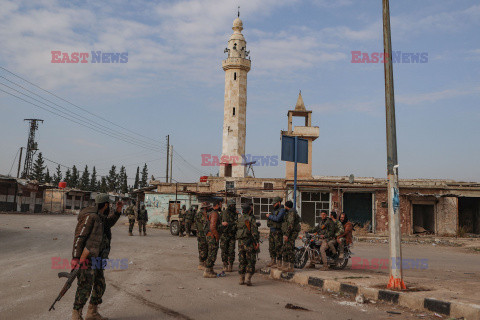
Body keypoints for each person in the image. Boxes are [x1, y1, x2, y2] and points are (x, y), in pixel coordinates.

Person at [71, 194, 123, 320]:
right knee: (85, 287)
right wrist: (76, 258)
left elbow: (108, 223)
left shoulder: (100, 217)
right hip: (87, 258)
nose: (109, 207)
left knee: (100, 284)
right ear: (105, 205)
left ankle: (92, 313)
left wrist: (117, 212)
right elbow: (79, 238)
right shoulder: (91, 217)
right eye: (109, 205)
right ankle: (76, 315)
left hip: (98, 259)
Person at [236, 202, 260, 286]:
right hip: (249, 243)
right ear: (249, 211)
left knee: (242, 260)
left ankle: (241, 279)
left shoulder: (239, 219)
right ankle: (248, 278)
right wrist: (256, 242)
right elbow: (254, 232)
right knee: (251, 260)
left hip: (241, 243)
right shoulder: (251, 219)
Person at [280, 201, 301, 272]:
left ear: (286, 206)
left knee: (289, 249)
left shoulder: (291, 213)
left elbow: (290, 225)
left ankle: (291, 267)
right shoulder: (289, 212)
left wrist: (287, 234)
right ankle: (285, 265)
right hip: (289, 233)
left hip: (291, 234)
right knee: (285, 248)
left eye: (285, 206)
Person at [265, 196, 286, 268]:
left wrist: (269, 216)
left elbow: (277, 219)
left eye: (275, 204)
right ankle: (273, 261)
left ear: (279, 203)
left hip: (278, 231)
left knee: (278, 247)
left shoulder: (282, 210)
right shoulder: (274, 210)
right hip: (272, 230)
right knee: (271, 247)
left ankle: (279, 262)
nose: (273, 205)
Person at [204, 200, 222, 278]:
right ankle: (207, 271)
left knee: (211, 253)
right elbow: (212, 227)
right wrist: (217, 236)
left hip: (210, 236)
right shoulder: (214, 213)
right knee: (212, 254)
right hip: (212, 236)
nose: (221, 206)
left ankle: (210, 270)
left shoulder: (211, 212)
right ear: (217, 205)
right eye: (221, 205)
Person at [220, 199, 237, 272]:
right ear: (229, 205)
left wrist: (230, 225)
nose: (233, 206)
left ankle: (230, 265)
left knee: (231, 250)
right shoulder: (223, 213)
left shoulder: (235, 214)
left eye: (234, 205)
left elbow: (237, 223)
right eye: (232, 205)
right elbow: (219, 222)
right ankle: (225, 264)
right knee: (224, 250)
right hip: (224, 234)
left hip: (232, 235)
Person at [194, 202, 210, 270]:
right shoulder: (200, 214)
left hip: (203, 234)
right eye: (207, 208)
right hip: (201, 234)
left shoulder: (202, 214)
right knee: (202, 249)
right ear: (204, 208)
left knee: (205, 248)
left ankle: (204, 262)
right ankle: (201, 264)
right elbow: (205, 222)